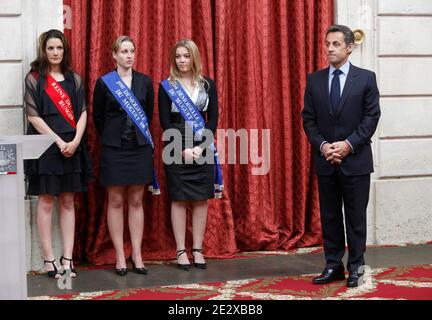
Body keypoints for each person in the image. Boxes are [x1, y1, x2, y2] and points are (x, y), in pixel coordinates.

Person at [302, 25, 381, 287]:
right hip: (326, 160)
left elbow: (371, 118)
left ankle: (357, 266)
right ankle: (333, 265)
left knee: (356, 217)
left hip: (356, 160)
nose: (329, 48)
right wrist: (324, 146)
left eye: (335, 44)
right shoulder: (314, 80)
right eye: (327, 44)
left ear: (349, 47)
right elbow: (308, 120)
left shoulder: (366, 78)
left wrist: (348, 145)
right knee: (330, 216)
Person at [24, 29, 92, 278]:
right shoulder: (34, 79)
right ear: (44, 50)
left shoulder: (75, 79)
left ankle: (68, 259)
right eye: (50, 48)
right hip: (46, 147)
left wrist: (74, 140)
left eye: (59, 48)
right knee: (46, 201)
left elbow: (83, 112)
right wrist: (58, 141)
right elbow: (33, 116)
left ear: (65, 51)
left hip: (72, 146)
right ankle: (49, 260)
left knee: (67, 201)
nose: (55, 52)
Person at [93, 36, 155, 276]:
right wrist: (112, 136)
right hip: (113, 149)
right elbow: (99, 117)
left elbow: (148, 115)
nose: (129, 55)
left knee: (136, 201)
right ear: (114, 55)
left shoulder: (145, 82)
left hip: (138, 148)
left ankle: (136, 254)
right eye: (124, 51)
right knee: (116, 200)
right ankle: (120, 254)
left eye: (132, 51)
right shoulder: (104, 83)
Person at [158, 39, 220, 270]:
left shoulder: (207, 85)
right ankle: (181, 250)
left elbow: (212, 119)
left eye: (186, 56)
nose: (182, 60)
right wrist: (182, 148)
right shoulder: (167, 86)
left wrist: (201, 147)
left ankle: (198, 249)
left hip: (202, 143)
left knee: (200, 197)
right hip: (175, 143)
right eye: (178, 56)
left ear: (194, 57)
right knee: (179, 197)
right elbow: (164, 120)